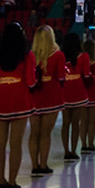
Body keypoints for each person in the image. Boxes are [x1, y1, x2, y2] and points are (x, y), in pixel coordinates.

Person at [0, 22, 36, 188]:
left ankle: (1, 181)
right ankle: (12, 181)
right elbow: (31, 81)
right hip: (19, 98)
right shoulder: (27, 54)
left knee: (0, 143)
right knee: (16, 144)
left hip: (1, 96)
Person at [28, 25, 66, 176]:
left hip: (34, 97)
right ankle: (43, 164)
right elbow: (61, 76)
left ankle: (34, 165)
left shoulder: (31, 56)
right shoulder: (58, 55)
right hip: (51, 98)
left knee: (34, 133)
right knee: (45, 134)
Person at [59, 32, 90, 160]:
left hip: (64, 91)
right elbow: (86, 74)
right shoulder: (84, 56)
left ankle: (66, 150)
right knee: (75, 123)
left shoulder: (61, 56)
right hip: (78, 91)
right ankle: (73, 150)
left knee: (65, 123)